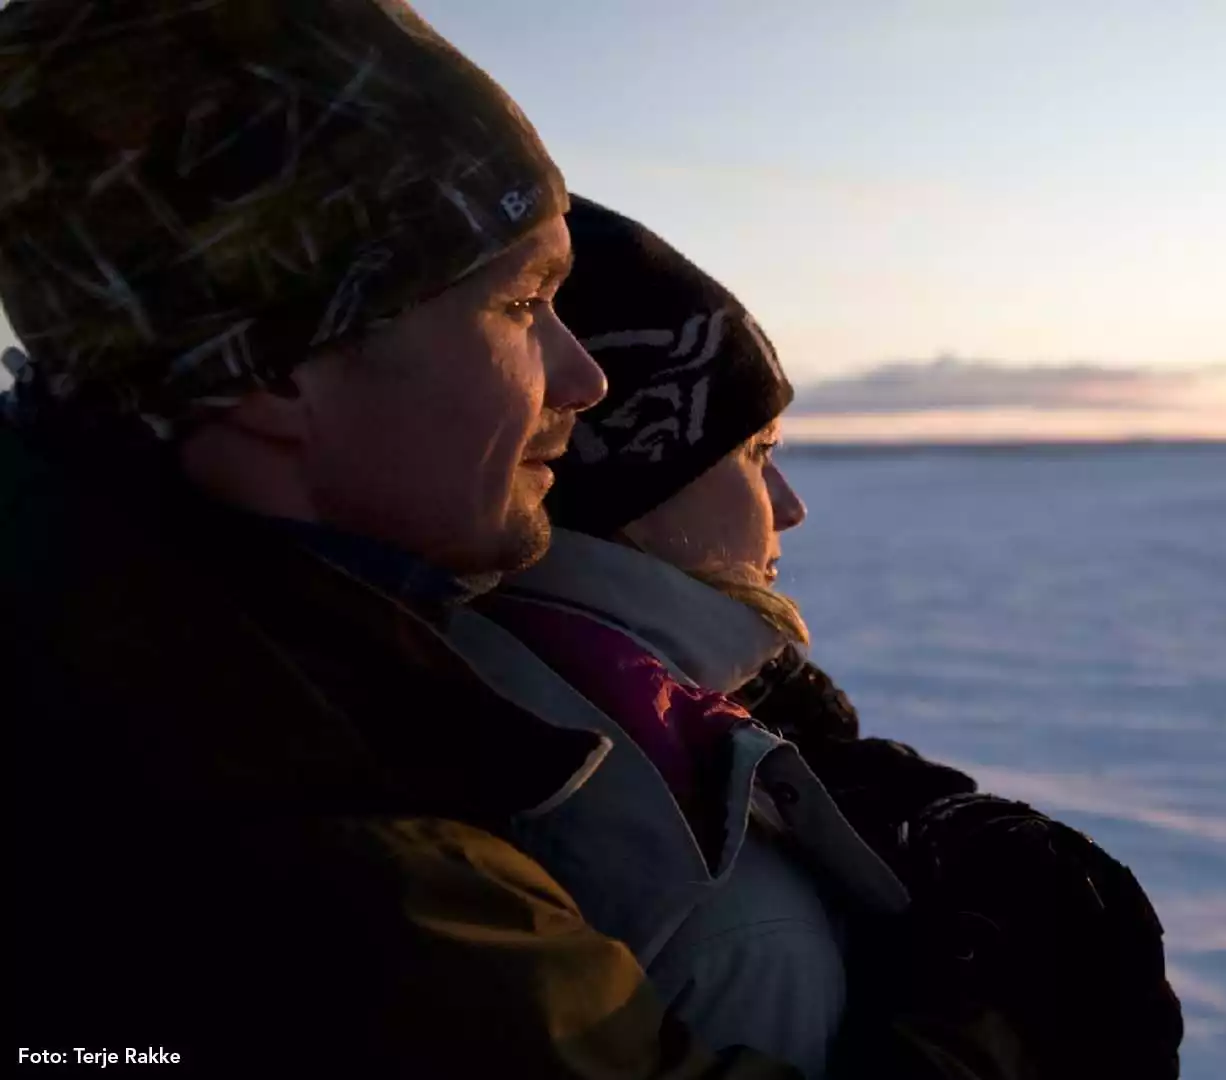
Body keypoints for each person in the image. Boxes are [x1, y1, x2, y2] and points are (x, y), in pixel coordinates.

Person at [3, 3, 842, 1076]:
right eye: (521, 302)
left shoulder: (179, 649)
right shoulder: (297, 857)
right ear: (271, 373)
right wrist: (1003, 1017)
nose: (583, 378)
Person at [448, 196, 1184, 1079]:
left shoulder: (470, 670)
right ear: (632, 481)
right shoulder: (733, 905)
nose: (790, 506)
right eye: (757, 452)